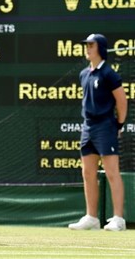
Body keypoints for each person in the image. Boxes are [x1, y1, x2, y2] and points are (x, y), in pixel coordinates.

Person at [68, 34, 127, 232]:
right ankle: (91, 217)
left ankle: (119, 218)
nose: (87, 48)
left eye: (91, 45)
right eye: (86, 45)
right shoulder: (84, 74)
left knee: (112, 172)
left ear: (100, 48)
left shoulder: (109, 74)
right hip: (88, 127)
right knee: (87, 172)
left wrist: (118, 125)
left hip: (106, 126)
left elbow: (122, 101)